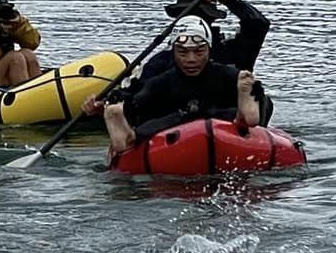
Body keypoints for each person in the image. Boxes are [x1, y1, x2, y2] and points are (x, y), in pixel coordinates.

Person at [103, 15, 261, 158]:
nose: (191, 59)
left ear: (209, 49)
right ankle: (127, 133)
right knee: (141, 108)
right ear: (173, 52)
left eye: (199, 52)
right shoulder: (160, 81)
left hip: (223, 122)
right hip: (174, 127)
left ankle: (243, 116)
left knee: (254, 94)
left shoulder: (230, 76)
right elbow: (139, 100)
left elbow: (259, 25)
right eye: (183, 52)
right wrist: (117, 104)